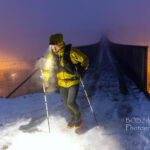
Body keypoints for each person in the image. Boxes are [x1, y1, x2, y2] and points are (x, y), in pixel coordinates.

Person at [41, 33, 89, 128]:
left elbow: (85, 60)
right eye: (51, 46)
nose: (53, 48)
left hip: (73, 82)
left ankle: (77, 116)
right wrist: (44, 79)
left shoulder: (71, 52)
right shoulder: (52, 56)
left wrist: (82, 71)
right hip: (62, 83)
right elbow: (46, 68)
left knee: (70, 102)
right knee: (66, 106)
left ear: (60, 43)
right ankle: (74, 116)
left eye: (55, 46)